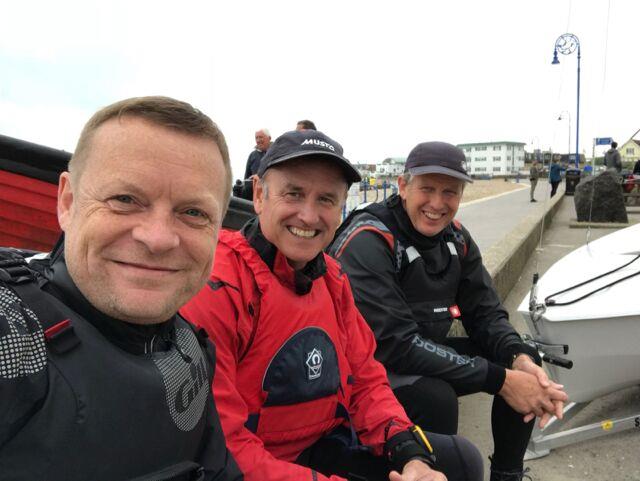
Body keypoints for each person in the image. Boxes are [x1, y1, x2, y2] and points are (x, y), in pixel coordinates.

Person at [181, 130, 484, 481]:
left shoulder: (332, 278)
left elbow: (367, 381)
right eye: (294, 194)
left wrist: (409, 453)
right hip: (252, 461)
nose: (309, 216)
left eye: (326, 199)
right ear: (260, 194)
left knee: (461, 461)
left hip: (323, 443)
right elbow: (224, 445)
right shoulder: (219, 283)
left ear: (341, 207)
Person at [0, 96, 243, 481]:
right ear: (67, 201)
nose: (158, 238)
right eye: (125, 199)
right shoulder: (12, 338)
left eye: (193, 212)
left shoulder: (188, 346)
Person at [329, 142, 568, 481]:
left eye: (450, 193)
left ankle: (507, 474)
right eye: (427, 189)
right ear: (402, 185)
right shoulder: (369, 238)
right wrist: (499, 380)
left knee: (526, 363)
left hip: (421, 352)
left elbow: (486, 314)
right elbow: (396, 344)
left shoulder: (456, 239)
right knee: (435, 397)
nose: (437, 204)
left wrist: (518, 359)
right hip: (368, 369)